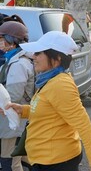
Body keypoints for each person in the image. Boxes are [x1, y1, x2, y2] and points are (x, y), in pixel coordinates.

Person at [3, 31, 91, 171]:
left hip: (56, 162)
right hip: (46, 159)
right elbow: (48, 112)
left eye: (39, 53)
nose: (33, 57)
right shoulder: (49, 80)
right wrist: (23, 110)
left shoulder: (60, 85)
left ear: (57, 58)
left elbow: (83, 124)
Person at [0, 21, 35, 171]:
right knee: (22, 157)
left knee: (10, 162)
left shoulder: (19, 64)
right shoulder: (12, 60)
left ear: (12, 42)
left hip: (12, 119)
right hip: (12, 118)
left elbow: (13, 97)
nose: (1, 44)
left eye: (2, 40)